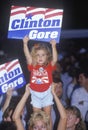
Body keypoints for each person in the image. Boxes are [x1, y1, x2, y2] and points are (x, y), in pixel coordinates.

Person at [23, 35, 58, 128]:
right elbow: (27, 56)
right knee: (36, 118)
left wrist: (53, 46)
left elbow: (54, 59)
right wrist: (25, 43)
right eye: (38, 55)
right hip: (35, 94)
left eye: (43, 55)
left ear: (47, 56)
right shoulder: (32, 65)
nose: (40, 57)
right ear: (34, 56)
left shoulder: (49, 66)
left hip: (47, 92)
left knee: (47, 116)